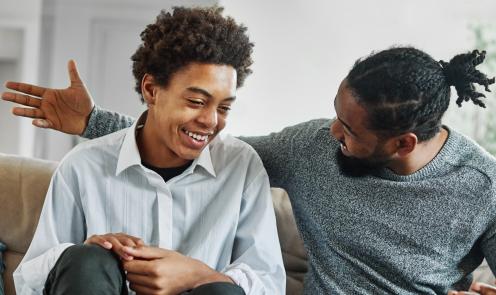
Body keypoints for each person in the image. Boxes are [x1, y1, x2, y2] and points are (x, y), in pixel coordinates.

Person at [3, 46, 496, 294]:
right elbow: (205, 144)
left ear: (403, 142)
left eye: (349, 131)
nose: (331, 132)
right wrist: (93, 121)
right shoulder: (313, 146)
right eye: (336, 114)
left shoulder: (487, 187)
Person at [5, 6, 286, 295]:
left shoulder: (241, 166)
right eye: (196, 102)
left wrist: (194, 273)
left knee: (222, 292)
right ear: (151, 90)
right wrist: (85, 254)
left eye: (224, 107)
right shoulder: (82, 165)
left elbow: (268, 282)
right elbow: (31, 278)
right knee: (86, 260)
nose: (211, 121)